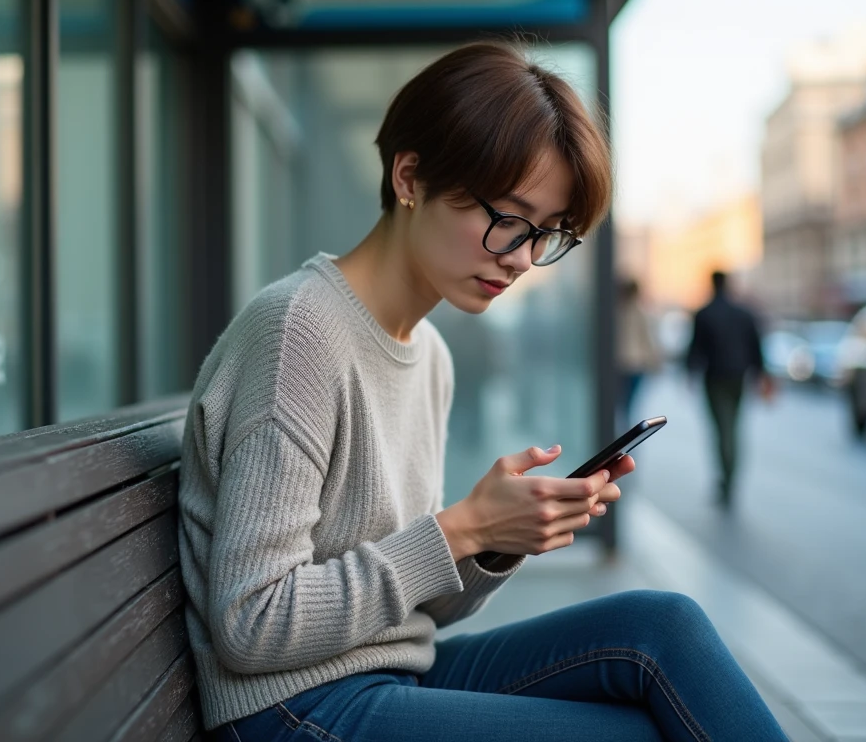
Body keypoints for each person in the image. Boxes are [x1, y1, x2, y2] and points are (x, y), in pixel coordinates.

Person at [179, 42, 786, 741]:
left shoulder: (427, 351)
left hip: (386, 670)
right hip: (289, 708)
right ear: (410, 176)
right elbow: (251, 624)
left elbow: (421, 611)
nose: (523, 258)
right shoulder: (299, 334)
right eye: (507, 218)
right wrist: (461, 527)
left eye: (547, 234)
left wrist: (499, 542)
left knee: (663, 627)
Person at [685, 271, 774, 508]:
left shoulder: (704, 313)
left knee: (722, 430)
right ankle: (730, 478)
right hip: (738, 378)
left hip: (714, 378)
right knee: (733, 428)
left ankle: (727, 479)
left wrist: (690, 374)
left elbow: (695, 349)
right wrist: (761, 376)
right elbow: (757, 348)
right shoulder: (744, 314)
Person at [617, 278, 662, 424]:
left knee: (622, 400)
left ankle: (622, 426)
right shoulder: (640, 312)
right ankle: (625, 427)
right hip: (636, 363)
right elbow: (647, 338)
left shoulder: (617, 311)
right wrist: (655, 360)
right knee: (630, 402)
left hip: (620, 362)